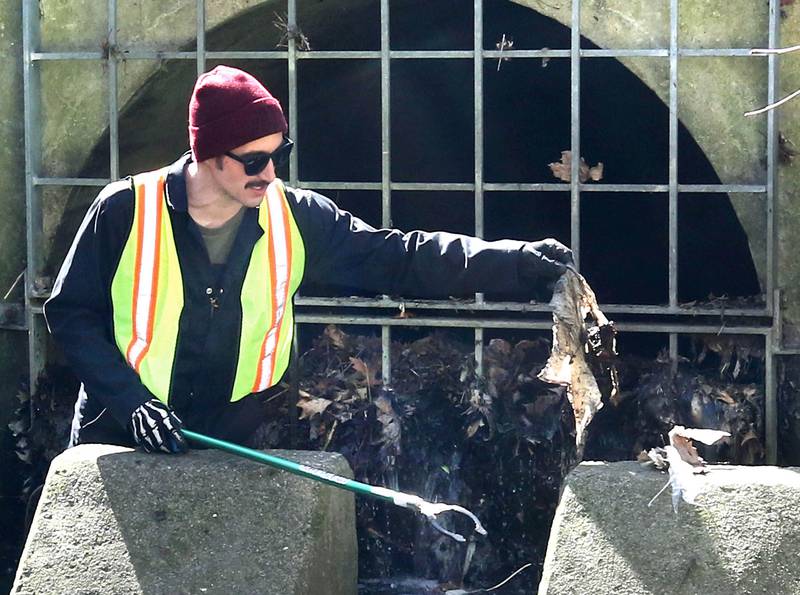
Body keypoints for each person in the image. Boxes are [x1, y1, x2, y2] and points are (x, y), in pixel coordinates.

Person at [44, 65, 573, 455]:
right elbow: (70, 312)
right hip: (121, 429)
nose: (271, 172)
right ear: (208, 154)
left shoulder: (296, 216)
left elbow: (398, 257)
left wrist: (513, 262)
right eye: (254, 160)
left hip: (230, 434)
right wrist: (129, 400)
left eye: (280, 154)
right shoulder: (124, 208)